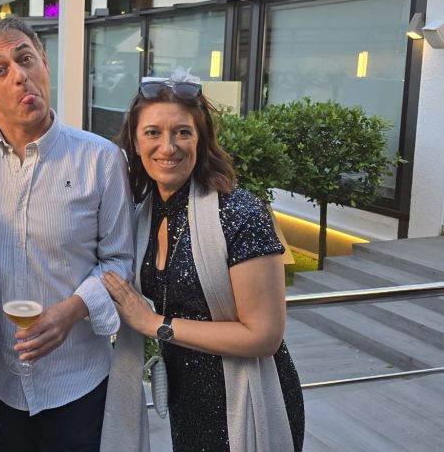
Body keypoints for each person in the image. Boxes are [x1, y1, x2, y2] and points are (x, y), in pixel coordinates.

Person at [0, 18, 146, 452]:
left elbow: (119, 260)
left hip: (76, 378)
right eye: (0, 69)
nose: (20, 75)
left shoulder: (101, 159)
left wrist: (72, 311)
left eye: (26, 59)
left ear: (44, 62)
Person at [103, 78, 304, 452]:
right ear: (135, 142)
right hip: (187, 399)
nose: (168, 147)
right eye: (153, 132)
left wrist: (155, 324)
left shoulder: (240, 214)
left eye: (183, 132)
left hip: (247, 399)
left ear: (201, 140)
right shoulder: (144, 213)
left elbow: (264, 336)